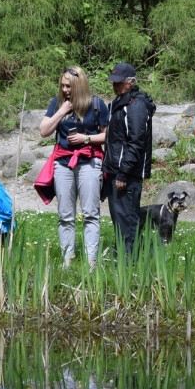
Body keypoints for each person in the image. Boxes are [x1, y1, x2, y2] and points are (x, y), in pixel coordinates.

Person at [37, 66, 109, 267]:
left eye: (68, 86)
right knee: (65, 215)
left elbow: (108, 136)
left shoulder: (97, 104)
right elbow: (44, 131)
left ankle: (91, 261)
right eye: (62, 86)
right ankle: (67, 261)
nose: (65, 90)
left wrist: (86, 138)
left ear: (79, 85)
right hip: (63, 163)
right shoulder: (57, 104)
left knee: (90, 214)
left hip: (90, 162)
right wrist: (62, 111)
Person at [103, 63, 155, 256]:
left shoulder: (136, 106)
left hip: (127, 174)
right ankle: (125, 257)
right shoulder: (118, 103)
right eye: (114, 82)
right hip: (115, 171)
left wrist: (123, 173)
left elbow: (136, 143)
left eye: (119, 82)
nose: (115, 86)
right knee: (119, 218)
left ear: (131, 83)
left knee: (128, 219)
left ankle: (129, 261)